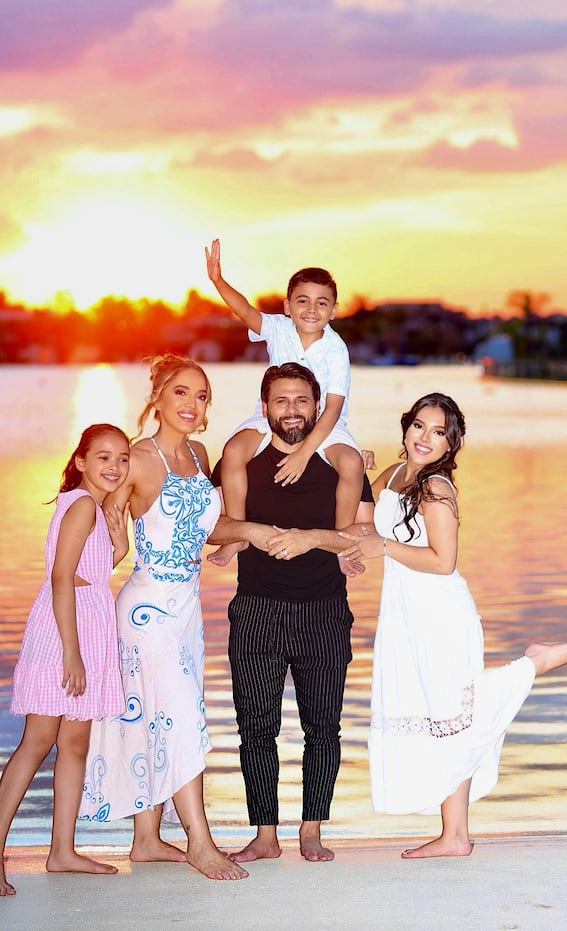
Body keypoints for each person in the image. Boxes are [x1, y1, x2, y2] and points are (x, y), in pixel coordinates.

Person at [337, 393, 567, 858]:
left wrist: (382, 549)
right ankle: (455, 835)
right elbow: (363, 524)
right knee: (441, 720)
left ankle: (531, 666)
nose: (424, 438)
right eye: (418, 426)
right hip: (403, 615)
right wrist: (352, 474)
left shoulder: (436, 488)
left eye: (438, 432)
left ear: (452, 444)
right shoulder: (394, 474)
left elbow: (443, 562)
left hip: (440, 614)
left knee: (455, 714)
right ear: (405, 426)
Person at [79, 355, 248, 881]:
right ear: (157, 397)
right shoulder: (136, 457)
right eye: (181, 393)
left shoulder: (199, 455)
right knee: (179, 718)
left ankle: (147, 840)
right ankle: (200, 841)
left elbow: (207, 528)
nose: (192, 405)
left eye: (201, 397)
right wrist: (107, 531)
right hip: (145, 611)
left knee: (160, 716)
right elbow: (102, 525)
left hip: (188, 610)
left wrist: (246, 534)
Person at [207, 362, 373, 864]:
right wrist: (250, 532)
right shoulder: (246, 458)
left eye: (302, 400)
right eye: (281, 400)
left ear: (317, 407)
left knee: (323, 727)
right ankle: (264, 834)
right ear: (265, 409)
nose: (292, 410)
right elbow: (210, 527)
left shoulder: (339, 462)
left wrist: (312, 540)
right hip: (255, 610)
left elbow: (365, 531)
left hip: (324, 611)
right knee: (255, 727)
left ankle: (311, 830)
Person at [0, 423, 132, 896]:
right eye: (103, 457)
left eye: (123, 458)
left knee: (76, 743)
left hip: (89, 619)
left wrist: (118, 545)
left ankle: (62, 850)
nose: (115, 466)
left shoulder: (93, 509)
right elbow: (62, 578)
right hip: (66, 628)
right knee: (38, 741)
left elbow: (89, 571)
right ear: (80, 461)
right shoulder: (82, 505)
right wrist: (72, 653)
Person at [205, 238, 367, 567]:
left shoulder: (336, 350)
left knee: (351, 464)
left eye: (322, 303)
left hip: (324, 423)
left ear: (334, 310)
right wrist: (218, 280)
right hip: (272, 417)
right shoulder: (278, 329)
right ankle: (237, 535)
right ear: (287, 306)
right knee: (234, 451)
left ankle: (341, 544)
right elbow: (245, 311)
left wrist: (306, 453)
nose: (311, 309)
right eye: (303, 301)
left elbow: (334, 407)